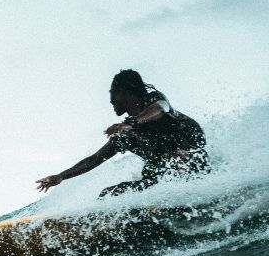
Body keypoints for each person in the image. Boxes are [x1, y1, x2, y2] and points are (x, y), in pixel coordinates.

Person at [36, 69, 210, 198]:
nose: (111, 100)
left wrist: (133, 122)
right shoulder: (126, 135)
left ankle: (194, 197)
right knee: (109, 194)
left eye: (112, 93)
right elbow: (95, 159)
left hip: (193, 160)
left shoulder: (153, 101)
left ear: (123, 92)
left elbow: (160, 108)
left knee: (175, 156)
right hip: (162, 175)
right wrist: (60, 176)